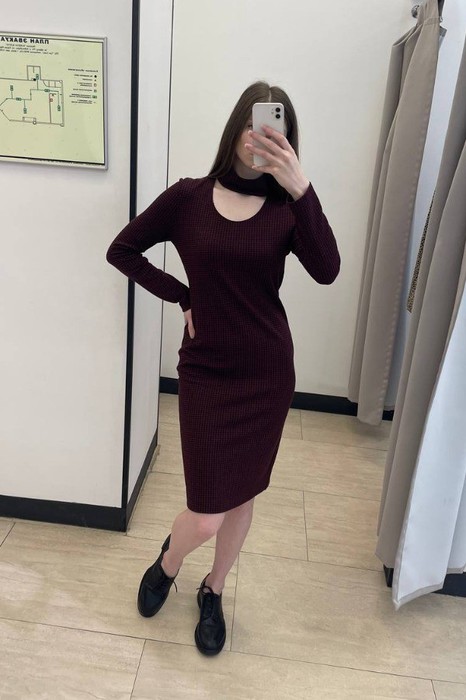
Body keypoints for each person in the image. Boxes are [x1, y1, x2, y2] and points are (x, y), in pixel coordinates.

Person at [106, 80, 340, 656]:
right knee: (206, 513)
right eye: (257, 128)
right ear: (237, 129)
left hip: (267, 374)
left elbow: (328, 269)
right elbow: (122, 250)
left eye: (278, 133)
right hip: (207, 372)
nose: (264, 140)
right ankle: (169, 562)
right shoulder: (187, 198)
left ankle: (213, 589)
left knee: (242, 493)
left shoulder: (287, 210)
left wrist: (303, 190)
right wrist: (183, 296)